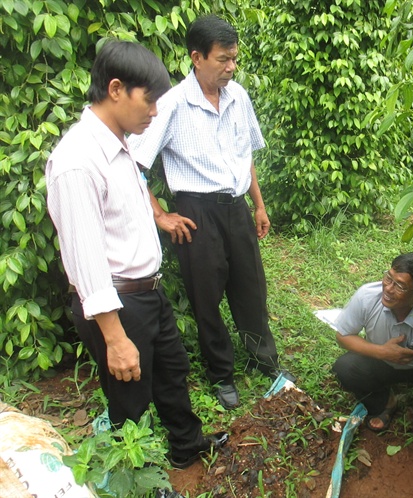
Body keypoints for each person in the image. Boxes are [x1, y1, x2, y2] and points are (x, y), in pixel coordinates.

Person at [46, 40, 228, 470]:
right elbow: (86, 261)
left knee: (172, 372)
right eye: (149, 101)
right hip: (117, 304)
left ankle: (186, 445)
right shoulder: (77, 161)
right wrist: (115, 337)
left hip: (147, 293)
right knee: (129, 399)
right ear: (115, 90)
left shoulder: (119, 143)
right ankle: (141, 479)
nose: (154, 112)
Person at [127, 15, 291, 411]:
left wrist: (259, 203)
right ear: (196, 58)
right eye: (223, 59)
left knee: (251, 287)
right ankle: (221, 374)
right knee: (207, 297)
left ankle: (264, 361)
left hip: (235, 208)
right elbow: (133, 164)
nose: (231, 67)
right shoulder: (170, 105)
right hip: (196, 214)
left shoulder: (239, 97)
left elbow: (244, 153)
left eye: (234, 59)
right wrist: (161, 214)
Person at [332, 253, 413, 487]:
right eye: (388, 278)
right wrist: (382, 352)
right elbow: (342, 336)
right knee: (345, 368)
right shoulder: (367, 296)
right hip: (382, 363)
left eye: (399, 285)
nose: (388, 289)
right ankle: (385, 402)